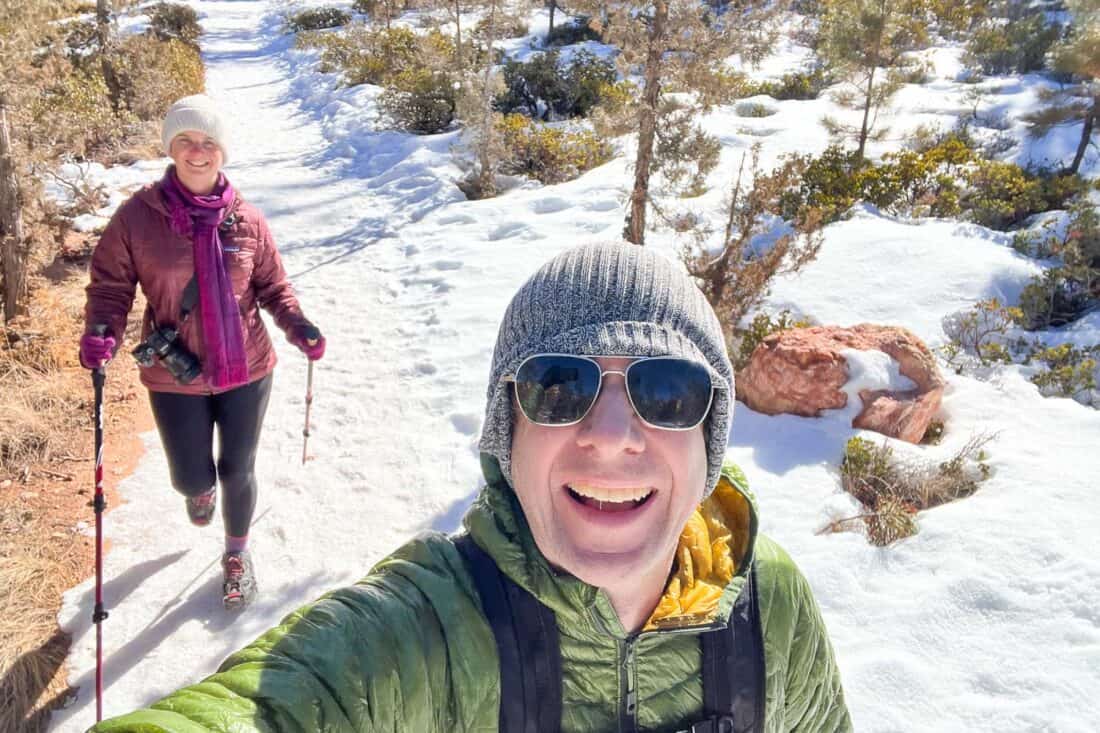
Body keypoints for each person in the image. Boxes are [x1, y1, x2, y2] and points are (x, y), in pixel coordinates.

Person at [91, 243, 850, 731]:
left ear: (709, 439)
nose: (614, 433)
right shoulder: (431, 625)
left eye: (669, 391)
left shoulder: (767, 604)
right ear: (504, 434)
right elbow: (273, 704)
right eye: (559, 385)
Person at [80, 94, 326, 610]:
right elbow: (110, 285)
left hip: (248, 369)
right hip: (176, 376)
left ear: (222, 152)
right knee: (189, 476)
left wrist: (297, 323)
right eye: (186, 140)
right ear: (171, 146)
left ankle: (236, 554)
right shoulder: (137, 218)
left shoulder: (248, 220)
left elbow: (273, 288)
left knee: (239, 469)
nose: (198, 151)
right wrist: (103, 328)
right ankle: (199, 490)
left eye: (209, 142)